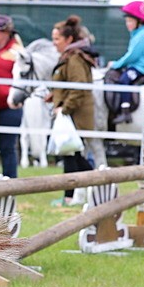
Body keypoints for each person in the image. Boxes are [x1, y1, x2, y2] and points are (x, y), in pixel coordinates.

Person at [47, 14, 97, 207]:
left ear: (69, 39)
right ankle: (95, 185)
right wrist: (54, 96)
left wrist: (64, 108)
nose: (54, 43)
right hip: (69, 114)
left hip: (74, 116)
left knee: (70, 155)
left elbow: (79, 87)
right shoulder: (70, 56)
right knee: (73, 156)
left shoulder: (74, 58)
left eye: (57, 39)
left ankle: (71, 196)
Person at [0, 15, 24, 179]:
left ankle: (10, 184)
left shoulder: (18, 52)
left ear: (6, 32)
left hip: (9, 107)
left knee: (7, 147)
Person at [109, 0, 144, 123]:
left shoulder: (142, 35)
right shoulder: (137, 33)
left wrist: (116, 64)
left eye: (130, 21)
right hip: (136, 66)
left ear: (139, 21)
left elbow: (132, 56)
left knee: (124, 79)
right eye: (127, 21)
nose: (127, 24)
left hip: (140, 68)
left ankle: (125, 112)